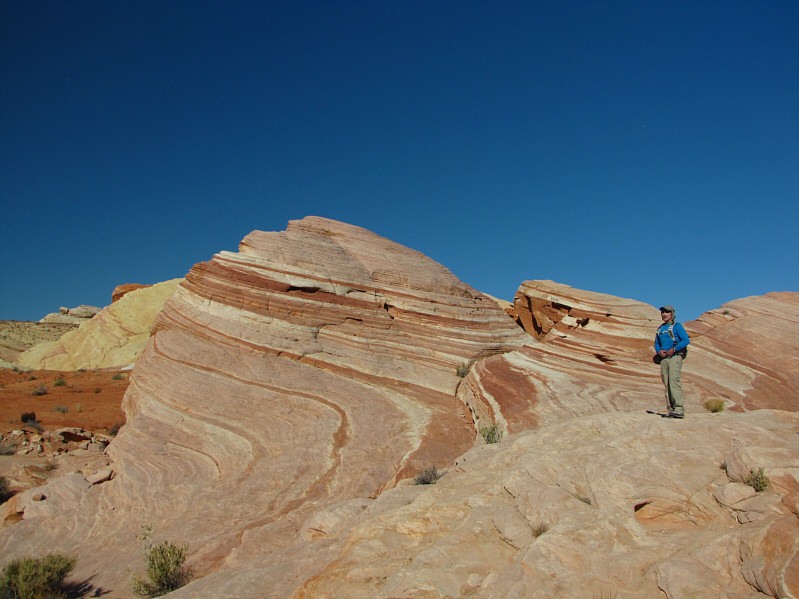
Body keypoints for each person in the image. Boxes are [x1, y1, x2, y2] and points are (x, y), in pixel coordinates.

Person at [654, 305, 690, 418]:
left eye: (667, 312)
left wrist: (674, 349)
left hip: (675, 357)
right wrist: (659, 351)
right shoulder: (660, 328)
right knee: (667, 383)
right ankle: (671, 410)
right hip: (664, 359)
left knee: (674, 382)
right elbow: (656, 343)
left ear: (672, 314)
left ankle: (679, 409)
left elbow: (685, 340)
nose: (664, 314)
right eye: (663, 312)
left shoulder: (677, 326)